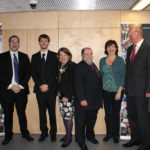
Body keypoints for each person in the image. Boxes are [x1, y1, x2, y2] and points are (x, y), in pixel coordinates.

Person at [0, 35, 34, 145]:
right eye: (12, 41)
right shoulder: (2, 57)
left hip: (21, 91)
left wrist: (19, 86)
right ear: (9, 43)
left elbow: (28, 73)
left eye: (17, 41)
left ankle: (25, 133)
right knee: (8, 114)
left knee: (21, 113)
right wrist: (11, 85)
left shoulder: (24, 56)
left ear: (19, 44)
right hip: (6, 91)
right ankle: (8, 135)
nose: (15, 43)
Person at [122, 24, 150, 150]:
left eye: (130, 33)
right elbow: (129, 70)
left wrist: (149, 90)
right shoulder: (130, 49)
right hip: (131, 90)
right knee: (132, 116)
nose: (128, 35)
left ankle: (146, 144)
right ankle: (135, 139)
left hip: (142, 91)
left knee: (142, 118)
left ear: (137, 32)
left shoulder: (148, 48)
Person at [74, 47, 103, 150]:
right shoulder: (79, 67)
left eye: (90, 53)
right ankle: (80, 141)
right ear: (82, 55)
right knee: (81, 122)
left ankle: (90, 136)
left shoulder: (92, 65)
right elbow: (78, 84)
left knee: (91, 121)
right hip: (84, 101)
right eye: (86, 54)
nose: (89, 56)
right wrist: (82, 99)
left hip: (94, 101)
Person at [31, 34, 58, 142]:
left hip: (51, 89)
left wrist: (48, 85)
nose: (43, 43)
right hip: (39, 90)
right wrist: (40, 85)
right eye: (41, 41)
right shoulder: (34, 56)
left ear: (48, 42)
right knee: (41, 112)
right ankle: (44, 132)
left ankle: (53, 133)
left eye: (45, 41)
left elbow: (56, 73)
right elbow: (33, 73)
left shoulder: (55, 55)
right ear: (39, 42)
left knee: (52, 112)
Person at [99, 40, 125, 143]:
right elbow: (101, 76)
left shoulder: (120, 60)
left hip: (117, 91)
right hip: (105, 91)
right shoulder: (102, 60)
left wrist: (119, 91)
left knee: (115, 113)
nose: (111, 48)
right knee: (108, 113)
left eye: (113, 46)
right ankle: (108, 133)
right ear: (106, 49)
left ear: (116, 48)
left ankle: (115, 135)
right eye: (109, 47)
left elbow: (123, 76)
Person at [57, 47, 76, 148]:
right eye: (61, 55)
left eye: (65, 55)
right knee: (64, 116)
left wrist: (67, 96)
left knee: (68, 117)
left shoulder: (72, 66)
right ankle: (67, 134)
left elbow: (73, 83)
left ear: (69, 56)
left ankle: (68, 137)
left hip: (68, 97)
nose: (63, 57)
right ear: (58, 57)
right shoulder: (60, 65)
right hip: (60, 96)